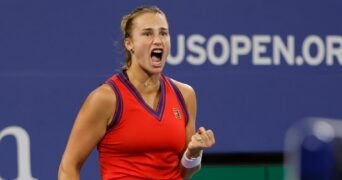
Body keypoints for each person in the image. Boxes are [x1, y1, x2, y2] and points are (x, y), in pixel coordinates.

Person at [58, 5, 215, 180]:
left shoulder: (185, 95)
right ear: (129, 43)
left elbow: (184, 173)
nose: (158, 40)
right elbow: (68, 166)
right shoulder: (106, 99)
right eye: (147, 33)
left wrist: (193, 153)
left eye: (163, 33)